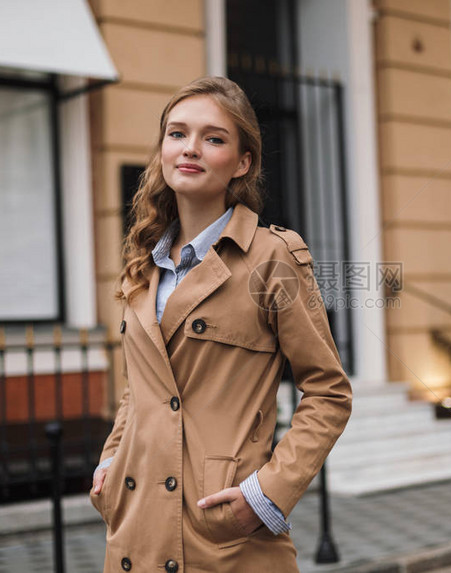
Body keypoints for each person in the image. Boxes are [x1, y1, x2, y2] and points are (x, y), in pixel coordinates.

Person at [88, 76, 352, 573]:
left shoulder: (273, 258)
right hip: (134, 526)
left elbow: (328, 392)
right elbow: (140, 388)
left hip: (222, 532)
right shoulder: (144, 263)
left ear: (243, 161)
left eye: (213, 138)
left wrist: (267, 494)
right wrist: (111, 460)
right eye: (176, 134)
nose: (191, 149)